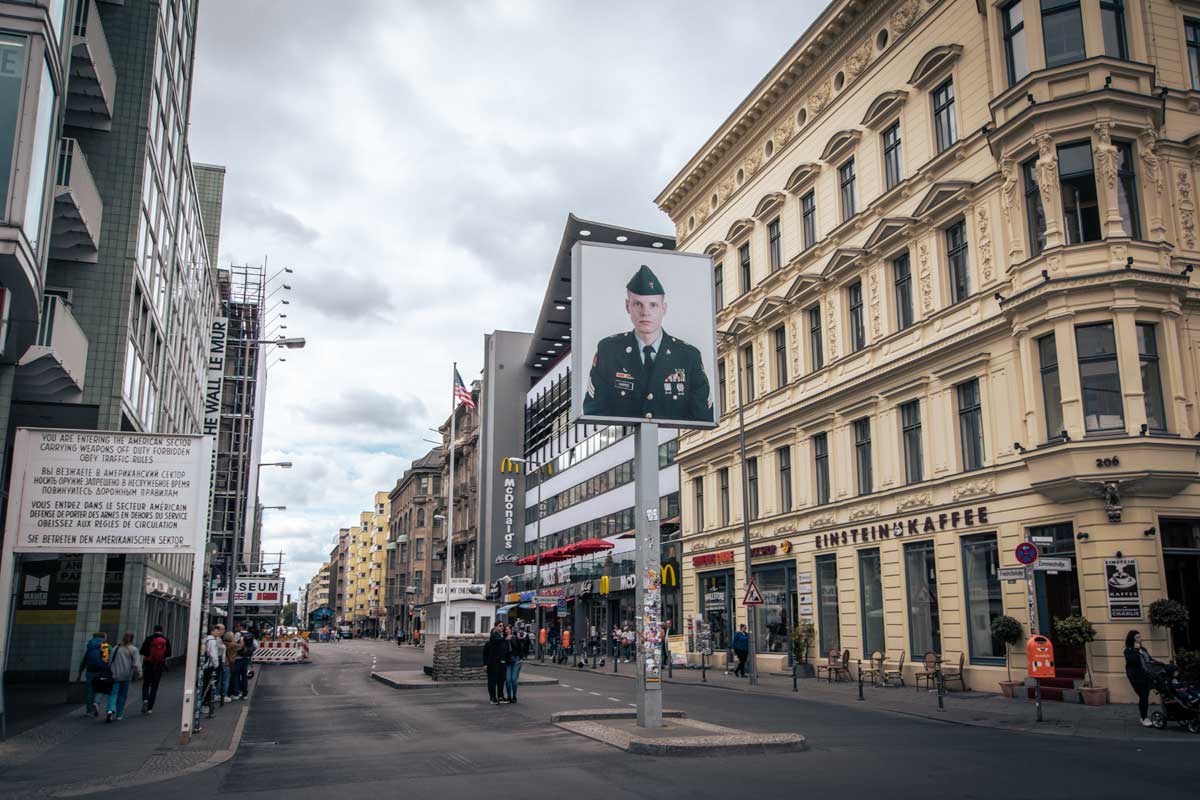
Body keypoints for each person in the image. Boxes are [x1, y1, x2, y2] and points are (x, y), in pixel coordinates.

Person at [582, 264, 713, 423]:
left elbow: (703, 416)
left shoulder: (688, 356)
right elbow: (594, 411)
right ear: (627, 306)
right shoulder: (609, 351)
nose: (645, 312)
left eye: (653, 305)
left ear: (664, 308)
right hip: (626, 441)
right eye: (638, 304)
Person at [1124, 630, 1156, 726]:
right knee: (1143, 696)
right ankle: (1144, 718)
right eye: (1137, 637)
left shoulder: (1143, 649)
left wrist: (1156, 662)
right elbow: (1132, 660)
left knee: (1145, 695)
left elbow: (1149, 659)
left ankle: (1144, 717)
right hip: (1136, 677)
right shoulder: (1128, 651)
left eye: (1140, 637)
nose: (1140, 639)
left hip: (1146, 675)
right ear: (1132, 639)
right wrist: (1136, 650)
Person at [107, 632, 140, 722]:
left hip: (115, 675)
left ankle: (110, 709)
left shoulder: (115, 648)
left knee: (113, 694)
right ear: (132, 639)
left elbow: (110, 661)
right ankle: (119, 714)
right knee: (122, 695)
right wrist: (139, 673)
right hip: (126, 676)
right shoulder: (133, 649)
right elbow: (136, 664)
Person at [139, 625, 170, 714]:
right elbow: (168, 653)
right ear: (162, 630)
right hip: (159, 666)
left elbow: (142, 651)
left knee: (146, 684)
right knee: (154, 686)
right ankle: (150, 708)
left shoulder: (149, 639)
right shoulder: (165, 640)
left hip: (148, 665)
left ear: (154, 630)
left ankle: (145, 699)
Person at [78, 631, 109, 718]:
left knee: (90, 691)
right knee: (100, 689)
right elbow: (106, 659)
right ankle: (96, 703)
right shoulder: (105, 645)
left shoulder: (90, 646)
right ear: (103, 637)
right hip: (101, 671)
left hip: (90, 671)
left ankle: (88, 711)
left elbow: (84, 660)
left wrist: (79, 673)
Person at [483, 621, 507, 705]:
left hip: (501, 662)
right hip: (493, 663)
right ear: (496, 627)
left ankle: (500, 696)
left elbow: (504, 649)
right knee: (492, 680)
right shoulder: (494, 637)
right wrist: (485, 664)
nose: (502, 627)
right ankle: (492, 698)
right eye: (500, 626)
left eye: (502, 626)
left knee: (501, 680)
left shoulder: (501, 637)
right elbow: (485, 654)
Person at [202, 625, 222, 716]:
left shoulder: (206, 640)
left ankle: (205, 703)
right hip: (210, 666)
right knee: (209, 685)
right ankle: (206, 704)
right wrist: (216, 664)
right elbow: (213, 654)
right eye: (217, 631)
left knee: (205, 684)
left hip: (205, 666)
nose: (218, 633)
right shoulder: (212, 641)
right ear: (212, 631)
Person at [505, 625, 529, 704]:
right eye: (506, 630)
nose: (507, 631)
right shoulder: (503, 640)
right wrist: (506, 640)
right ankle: (509, 697)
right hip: (508, 661)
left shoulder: (515, 638)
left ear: (511, 631)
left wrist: (521, 659)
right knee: (508, 680)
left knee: (513, 679)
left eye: (509, 630)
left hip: (516, 660)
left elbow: (520, 649)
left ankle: (514, 696)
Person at [232, 622, 255, 699]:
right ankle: (245, 693)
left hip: (238, 658)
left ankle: (237, 693)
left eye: (237, 626)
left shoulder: (238, 634)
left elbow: (234, 645)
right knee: (244, 675)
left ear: (241, 627)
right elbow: (255, 645)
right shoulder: (250, 635)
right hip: (246, 658)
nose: (236, 627)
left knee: (236, 675)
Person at [220, 631, 240, 702]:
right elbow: (241, 646)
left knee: (220, 680)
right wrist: (241, 640)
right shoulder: (233, 645)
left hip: (221, 663)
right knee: (226, 680)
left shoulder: (222, 643)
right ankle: (224, 695)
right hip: (228, 664)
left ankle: (218, 694)